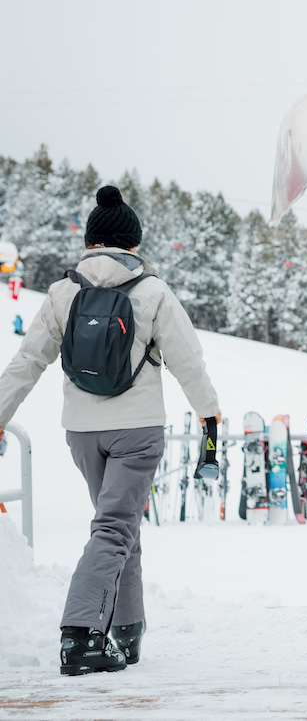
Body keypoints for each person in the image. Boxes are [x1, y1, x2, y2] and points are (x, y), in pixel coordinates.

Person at [0, 186, 221, 676]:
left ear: (90, 241)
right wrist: (210, 416)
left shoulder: (63, 291)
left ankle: (126, 628)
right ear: (133, 244)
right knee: (115, 527)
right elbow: (189, 362)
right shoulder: (152, 290)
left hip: (81, 431)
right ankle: (80, 635)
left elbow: (27, 362)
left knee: (119, 525)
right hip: (137, 430)